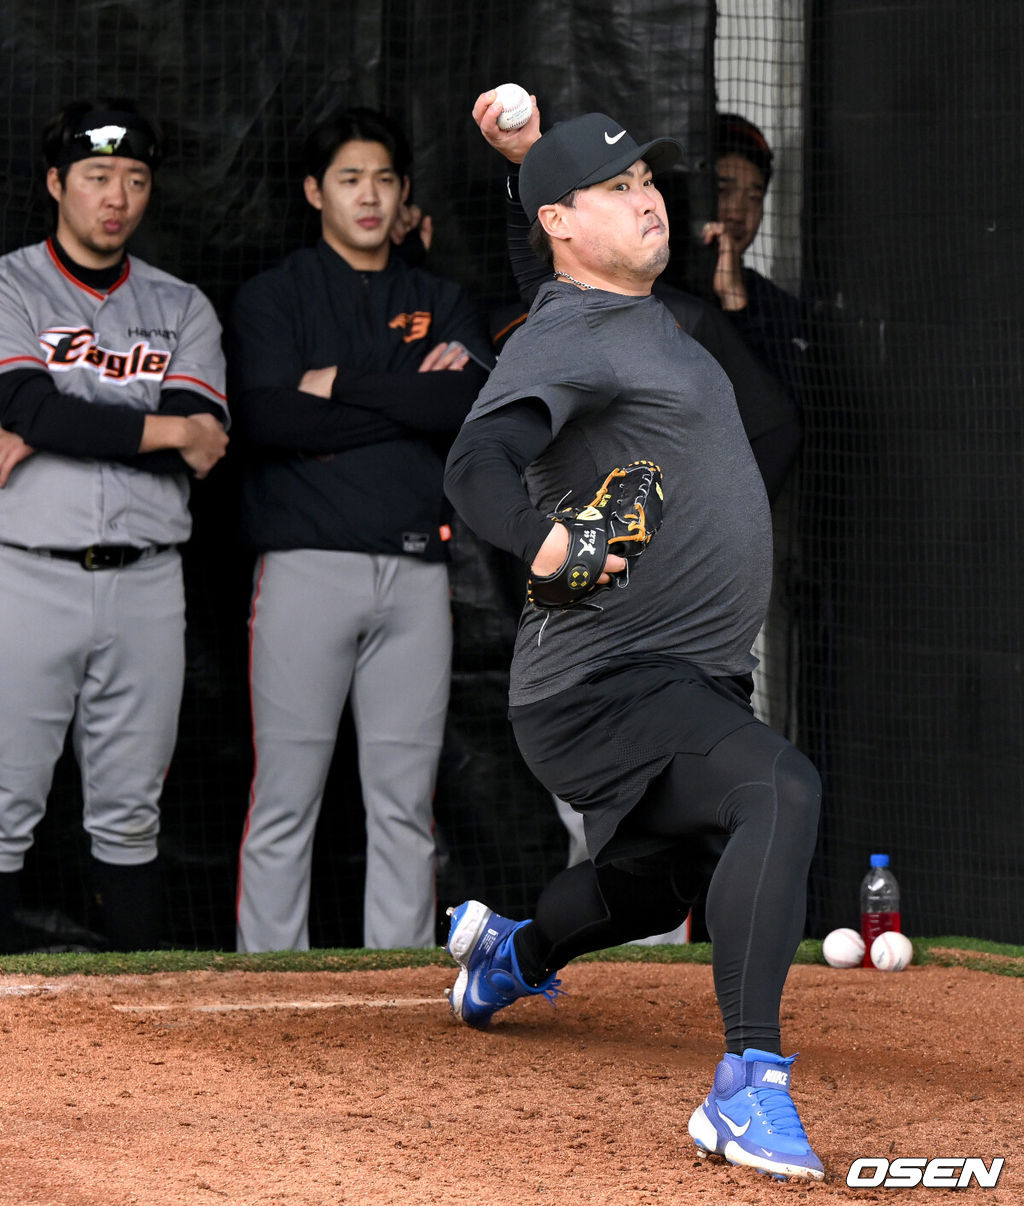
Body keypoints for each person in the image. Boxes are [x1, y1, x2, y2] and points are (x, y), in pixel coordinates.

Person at [441, 91, 824, 1182]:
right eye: (618, 189)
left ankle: (509, 955)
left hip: (683, 678)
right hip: (603, 679)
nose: (649, 199)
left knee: (661, 883)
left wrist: (538, 163)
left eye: (646, 180)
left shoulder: (621, 312)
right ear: (564, 223)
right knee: (777, 791)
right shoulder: (570, 332)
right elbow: (473, 464)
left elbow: (559, 276)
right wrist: (539, 540)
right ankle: (748, 1088)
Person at [231, 107, 493, 953]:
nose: (369, 196)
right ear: (315, 192)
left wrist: (336, 384)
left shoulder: (440, 297)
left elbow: (458, 404)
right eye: (349, 179)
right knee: (285, 799)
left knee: (403, 803)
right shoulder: (276, 295)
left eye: (384, 179)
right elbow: (268, 418)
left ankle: (395, 989)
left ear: (405, 190)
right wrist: (400, 398)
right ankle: (268, 985)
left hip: (416, 574)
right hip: (306, 567)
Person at [0, 97, 229, 952]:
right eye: (98, 177)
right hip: (25, 571)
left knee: (133, 812)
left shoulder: (183, 305)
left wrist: (52, 425)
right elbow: (22, 399)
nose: (117, 197)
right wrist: (154, 424)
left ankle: (138, 1056)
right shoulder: (11, 283)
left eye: (135, 179)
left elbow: (199, 446)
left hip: (145, 580)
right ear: (58, 182)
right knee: (2, 804)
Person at [702, 113, 814, 407]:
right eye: (724, 191)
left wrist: (735, 304)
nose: (738, 212)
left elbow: (780, 416)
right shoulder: (653, 295)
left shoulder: (781, 310)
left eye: (754, 197)